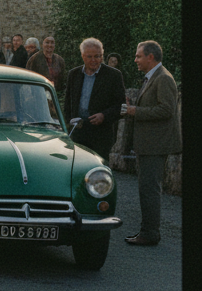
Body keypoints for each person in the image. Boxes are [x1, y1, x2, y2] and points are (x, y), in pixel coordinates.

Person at [123, 40, 180, 246]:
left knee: (149, 188)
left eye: (139, 56)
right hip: (149, 144)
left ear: (151, 57)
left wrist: (135, 111)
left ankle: (150, 233)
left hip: (155, 145)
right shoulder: (153, 77)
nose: (136, 60)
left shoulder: (163, 78)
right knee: (147, 187)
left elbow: (166, 110)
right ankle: (147, 231)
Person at [62, 37, 125, 159]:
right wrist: (69, 120)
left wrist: (104, 116)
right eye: (89, 57)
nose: (94, 60)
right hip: (78, 133)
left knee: (98, 171)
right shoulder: (73, 74)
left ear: (102, 56)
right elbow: (68, 102)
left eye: (97, 56)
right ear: (82, 56)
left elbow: (120, 106)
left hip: (101, 135)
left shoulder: (113, 76)